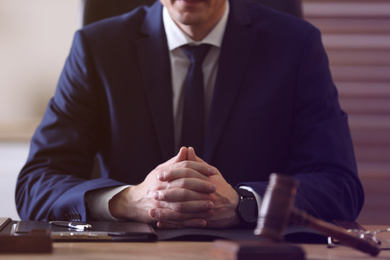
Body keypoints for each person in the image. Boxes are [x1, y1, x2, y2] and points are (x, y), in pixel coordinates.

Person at [16, 0, 364, 229]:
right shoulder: (97, 48)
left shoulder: (295, 45)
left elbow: (340, 185)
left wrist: (244, 202)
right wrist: (128, 200)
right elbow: (36, 183)